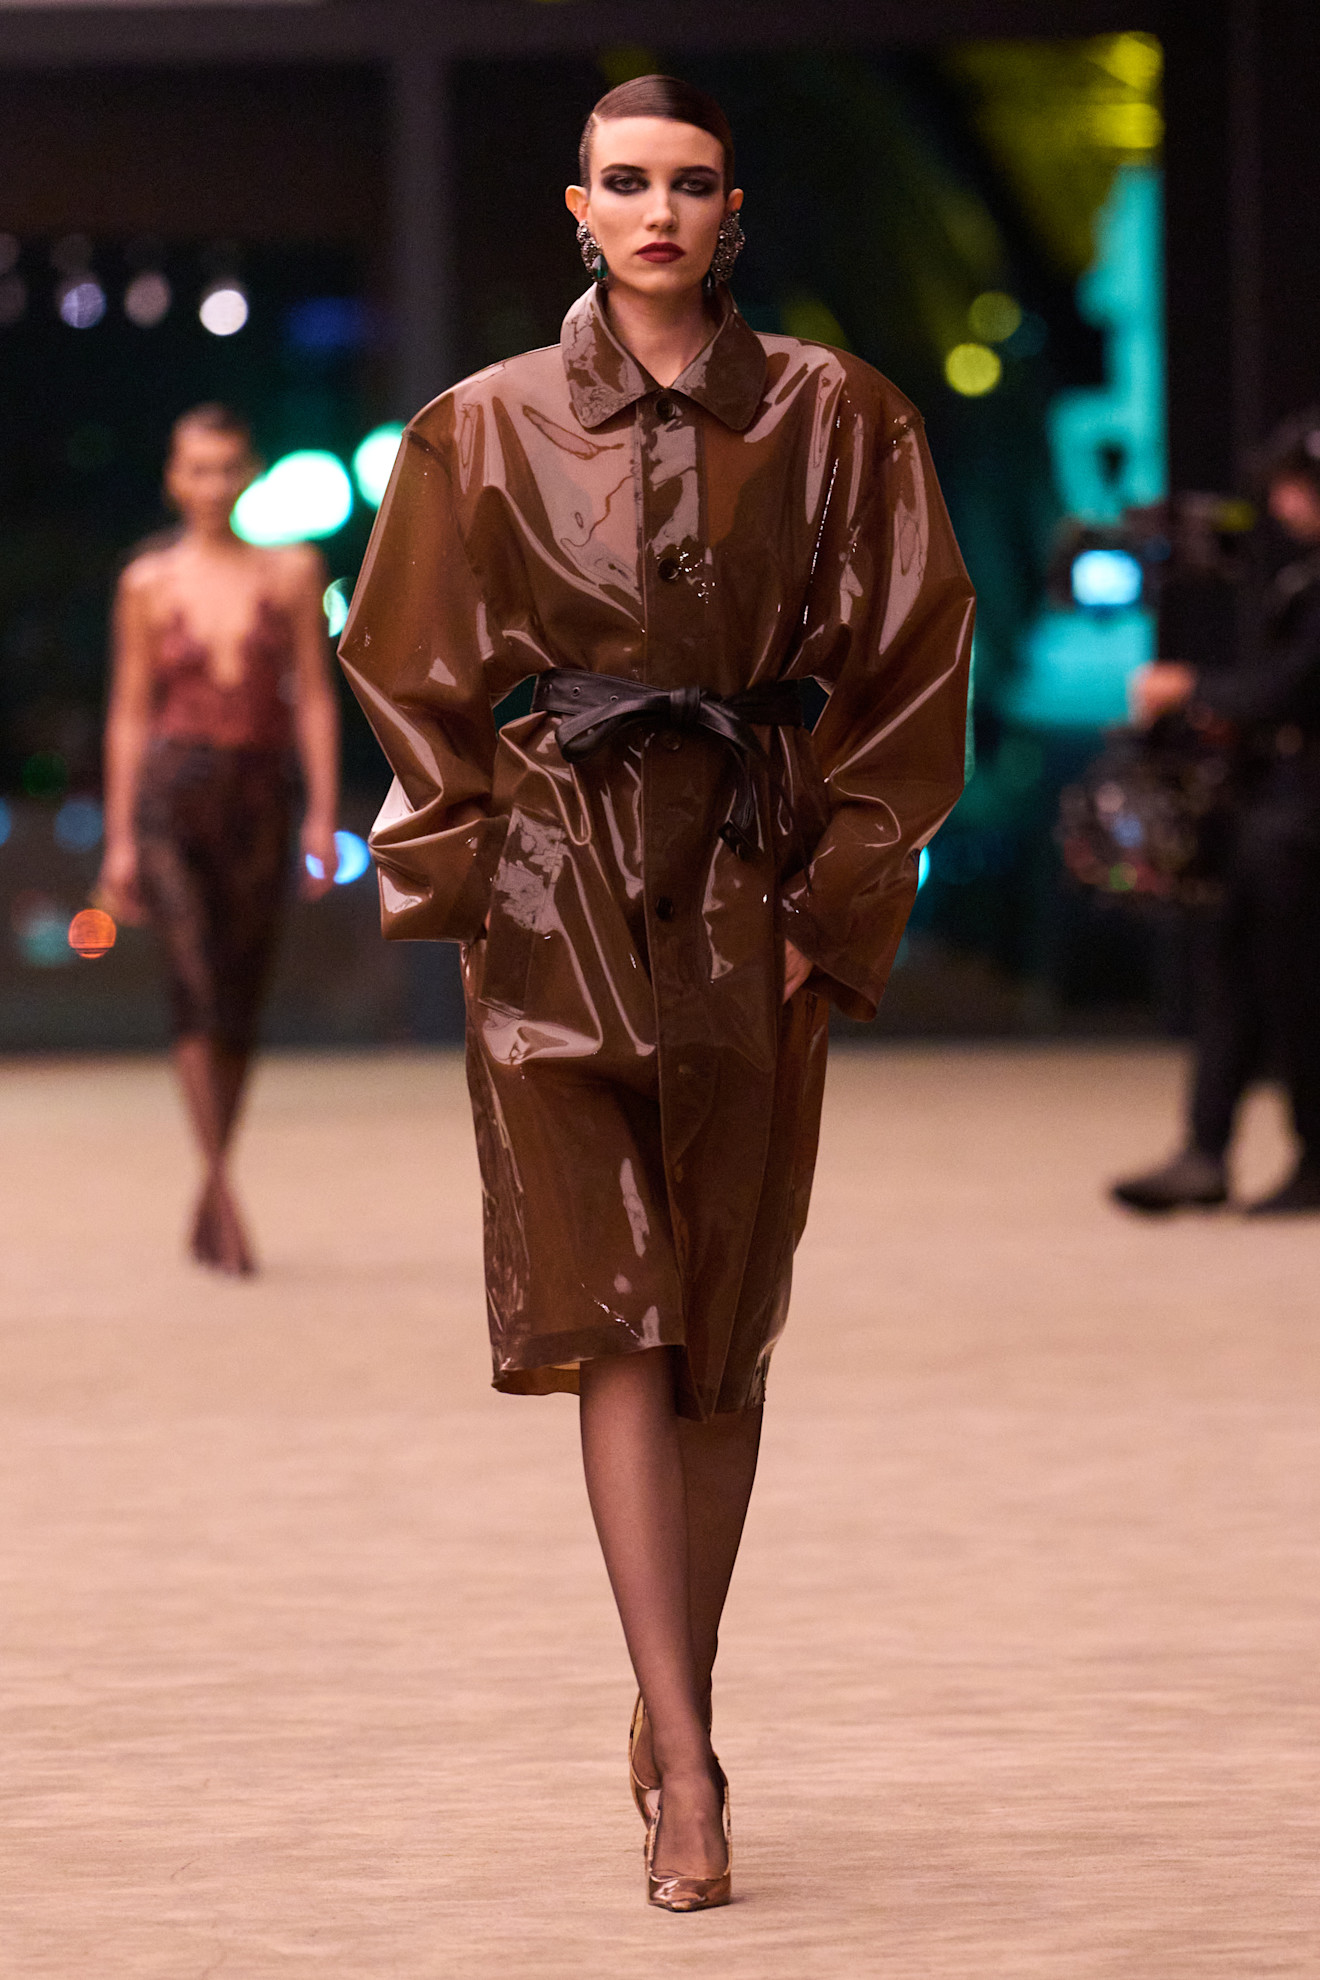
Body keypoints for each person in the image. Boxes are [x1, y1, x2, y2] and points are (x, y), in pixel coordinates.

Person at [341, 76, 972, 1908]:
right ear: (579, 206)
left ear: (731, 207)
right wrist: (471, 877)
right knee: (615, 1306)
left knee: (719, 1324)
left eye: (690, 183)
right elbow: (405, 666)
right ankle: (689, 1761)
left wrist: (835, 901)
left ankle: (668, 1684)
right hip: (558, 893)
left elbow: (915, 657)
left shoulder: (838, 414)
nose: (659, 211)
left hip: (751, 884)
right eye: (627, 182)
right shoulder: (480, 426)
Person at [98, 404, 340, 1273]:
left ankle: (213, 1183)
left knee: (240, 991)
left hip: (261, 794)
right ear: (174, 478)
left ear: (250, 473)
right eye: (196, 468)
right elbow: (130, 711)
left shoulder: (293, 570)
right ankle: (221, 1189)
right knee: (194, 981)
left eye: (227, 466)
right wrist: (119, 838)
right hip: (174, 795)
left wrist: (322, 814)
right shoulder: (147, 582)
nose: (211, 484)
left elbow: (314, 694)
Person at [1114, 408, 1320, 1215]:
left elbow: (1293, 686)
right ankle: (1205, 1148)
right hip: (1279, 815)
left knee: (1300, 989)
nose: (1284, 504)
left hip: (1303, 826)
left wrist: (1193, 689)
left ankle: (1312, 1157)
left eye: (1297, 486)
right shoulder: (1300, 579)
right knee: (1234, 969)